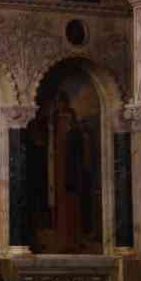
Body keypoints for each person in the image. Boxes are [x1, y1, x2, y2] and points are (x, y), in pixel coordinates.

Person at [50, 91, 91, 253]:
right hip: (59, 171)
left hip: (72, 171)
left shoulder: (75, 132)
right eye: (58, 103)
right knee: (62, 204)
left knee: (73, 204)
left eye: (62, 102)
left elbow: (80, 151)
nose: (60, 106)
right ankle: (63, 240)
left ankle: (74, 239)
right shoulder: (55, 123)